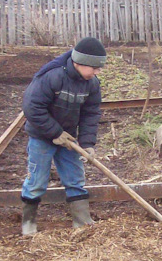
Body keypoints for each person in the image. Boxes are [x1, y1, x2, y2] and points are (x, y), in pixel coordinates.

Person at [19, 37, 106, 235]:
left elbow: (90, 114)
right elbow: (32, 108)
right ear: (80, 63)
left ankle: (82, 223)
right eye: (94, 67)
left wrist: (87, 143)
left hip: (68, 139)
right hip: (42, 137)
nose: (97, 72)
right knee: (37, 181)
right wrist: (55, 133)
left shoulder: (91, 84)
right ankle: (29, 225)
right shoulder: (52, 77)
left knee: (75, 178)